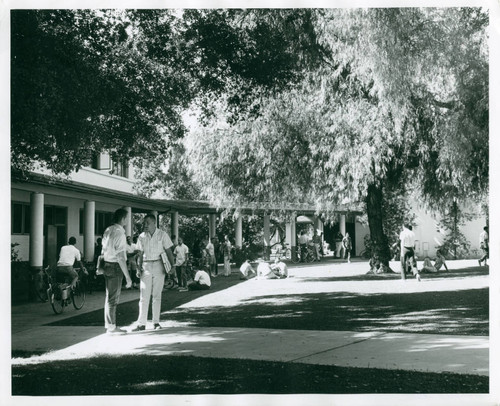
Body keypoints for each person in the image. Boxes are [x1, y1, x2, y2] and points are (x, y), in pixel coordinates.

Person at [133, 214, 174, 332]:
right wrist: (138, 267)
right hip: (146, 266)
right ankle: (141, 324)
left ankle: (156, 322)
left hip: (159, 265)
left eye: (147, 223)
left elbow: (169, 251)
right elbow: (139, 254)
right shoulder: (141, 236)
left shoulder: (162, 234)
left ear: (154, 223)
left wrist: (173, 266)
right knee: (143, 295)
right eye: (144, 223)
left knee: (157, 295)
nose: (145, 225)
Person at [101, 208, 133, 335]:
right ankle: (112, 328)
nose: (128, 220)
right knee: (113, 299)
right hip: (115, 266)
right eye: (127, 218)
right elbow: (120, 257)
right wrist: (128, 277)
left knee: (109, 297)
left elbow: (104, 249)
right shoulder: (120, 233)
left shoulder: (108, 230)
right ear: (123, 219)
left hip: (107, 265)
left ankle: (110, 325)